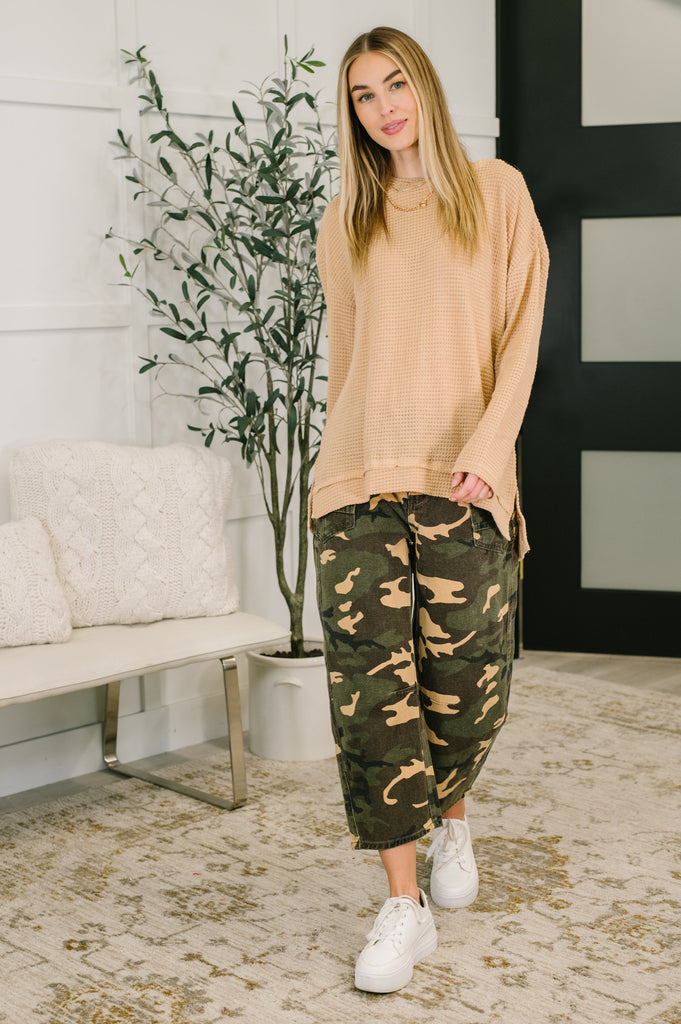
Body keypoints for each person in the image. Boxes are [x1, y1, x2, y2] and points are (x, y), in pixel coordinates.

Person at [311, 26, 549, 994]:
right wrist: (336, 467)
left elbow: (522, 329)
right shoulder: (345, 218)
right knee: (373, 701)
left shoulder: (496, 191)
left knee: (466, 687)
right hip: (357, 483)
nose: (384, 108)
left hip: (464, 481)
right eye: (363, 95)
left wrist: (490, 453)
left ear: (427, 88)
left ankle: (453, 817)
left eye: (395, 84)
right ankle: (403, 904)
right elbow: (346, 356)